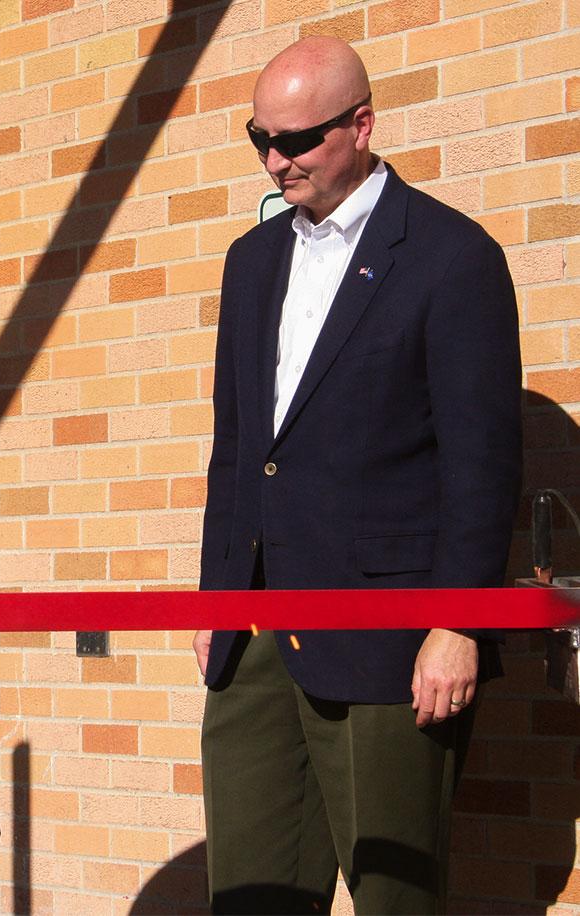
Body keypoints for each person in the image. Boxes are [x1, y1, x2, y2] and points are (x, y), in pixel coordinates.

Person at [193, 36, 522, 914]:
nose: (276, 159)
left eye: (297, 140)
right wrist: (216, 599)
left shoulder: (452, 257)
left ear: (362, 125)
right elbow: (237, 449)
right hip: (256, 631)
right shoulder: (249, 262)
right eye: (260, 136)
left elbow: (482, 464)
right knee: (251, 892)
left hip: (390, 637)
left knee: (393, 899)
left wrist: (458, 623)